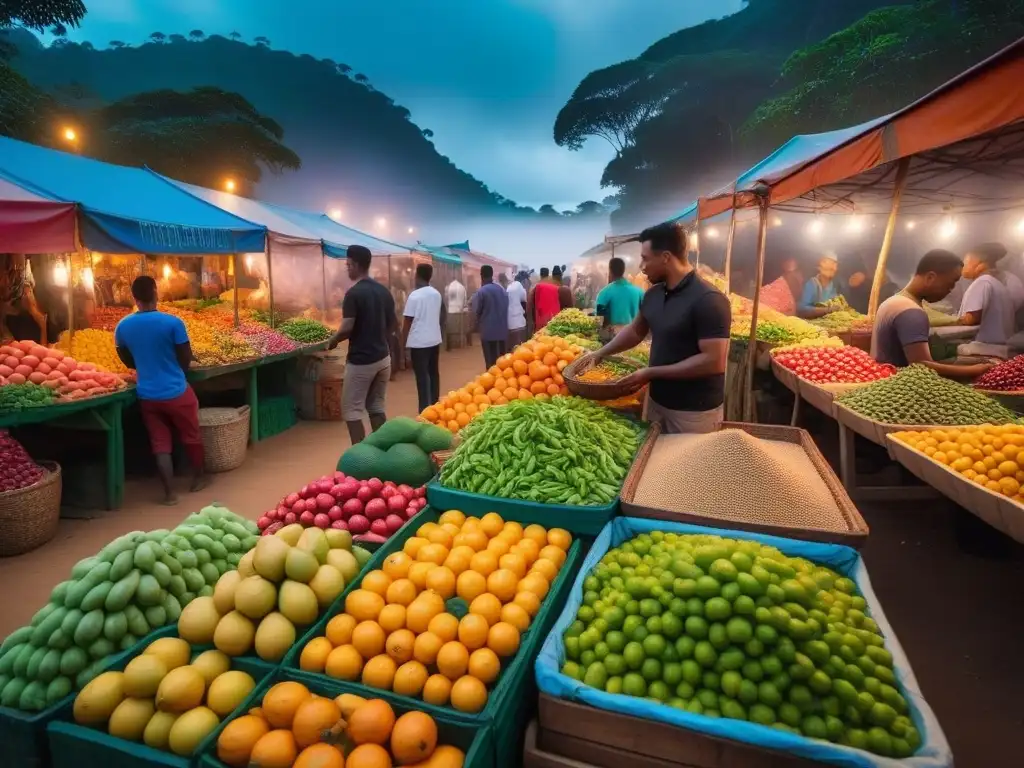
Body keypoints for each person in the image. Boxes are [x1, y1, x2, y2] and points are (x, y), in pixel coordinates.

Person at [594, 222, 731, 434]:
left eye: (645, 258)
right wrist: (601, 352)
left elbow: (713, 361)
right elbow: (636, 330)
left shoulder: (709, 299)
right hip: (657, 403)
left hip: (693, 412)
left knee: (689, 466)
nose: (642, 266)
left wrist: (650, 373)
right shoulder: (653, 294)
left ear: (666, 257)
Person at [115, 275, 206, 505]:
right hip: (176, 390)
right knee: (191, 434)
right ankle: (198, 478)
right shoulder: (173, 323)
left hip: (147, 394)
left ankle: (169, 494)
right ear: (156, 292)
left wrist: (147, 364)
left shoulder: (123, 326)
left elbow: (127, 360)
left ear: (134, 298)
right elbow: (185, 358)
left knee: (160, 443)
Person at [871, 249, 993, 379]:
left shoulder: (894, 301)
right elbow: (922, 367)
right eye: (950, 284)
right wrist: (975, 370)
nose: (950, 290)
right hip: (897, 389)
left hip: (882, 380)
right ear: (930, 277)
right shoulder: (911, 312)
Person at [327, 245, 396, 445]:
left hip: (361, 362)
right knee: (376, 407)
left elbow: (347, 327)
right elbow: (392, 324)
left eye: (348, 265)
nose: (347, 269)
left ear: (356, 265)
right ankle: (383, 448)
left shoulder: (353, 294)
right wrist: (376, 336)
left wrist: (333, 340)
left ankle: (360, 454)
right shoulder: (384, 291)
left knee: (351, 409)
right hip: (383, 358)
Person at [957, 242, 1016, 354]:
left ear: (980, 264)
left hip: (983, 351)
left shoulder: (982, 282)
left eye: (965, 262)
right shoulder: (997, 284)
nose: (962, 267)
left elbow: (971, 319)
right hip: (1000, 350)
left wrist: (945, 320)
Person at [402, 263, 445, 413]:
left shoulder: (414, 296)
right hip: (434, 340)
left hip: (419, 343)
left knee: (422, 377)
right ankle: (435, 406)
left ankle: (424, 411)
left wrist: (403, 347)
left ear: (417, 275)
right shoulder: (436, 294)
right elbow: (440, 316)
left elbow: (407, 322)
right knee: (433, 373)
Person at [471, 265, 509, 368]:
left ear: (481, 275)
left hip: (488, 333)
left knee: (490, 364)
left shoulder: (481, 292)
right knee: (502, 363)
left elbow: (475, 311)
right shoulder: (502, 290)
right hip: (502, 332)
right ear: (492, 275)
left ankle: (492, 383)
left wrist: (473, 327)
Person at [596, 257, 644, 327]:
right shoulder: (639, 292)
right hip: (635, 335)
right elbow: (645, 316)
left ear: (610, 271)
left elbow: (600, 318)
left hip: (613, 336)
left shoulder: (604, 293)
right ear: (623, 270)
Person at [797, 253, 845, 318]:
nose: (833, 267)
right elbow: (802, 309)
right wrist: (827, 310)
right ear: (819, 267)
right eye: (829, 263)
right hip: (814, 324)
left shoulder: (835, 285)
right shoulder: (812, 284)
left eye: (835, 264)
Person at [500, 272, 528, 348]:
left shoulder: (510, 286)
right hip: (518, 323)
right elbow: (524, 300)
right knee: (519, 348)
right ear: (525, 280)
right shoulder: (519, 286)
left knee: (511, 348)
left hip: (508, 323)